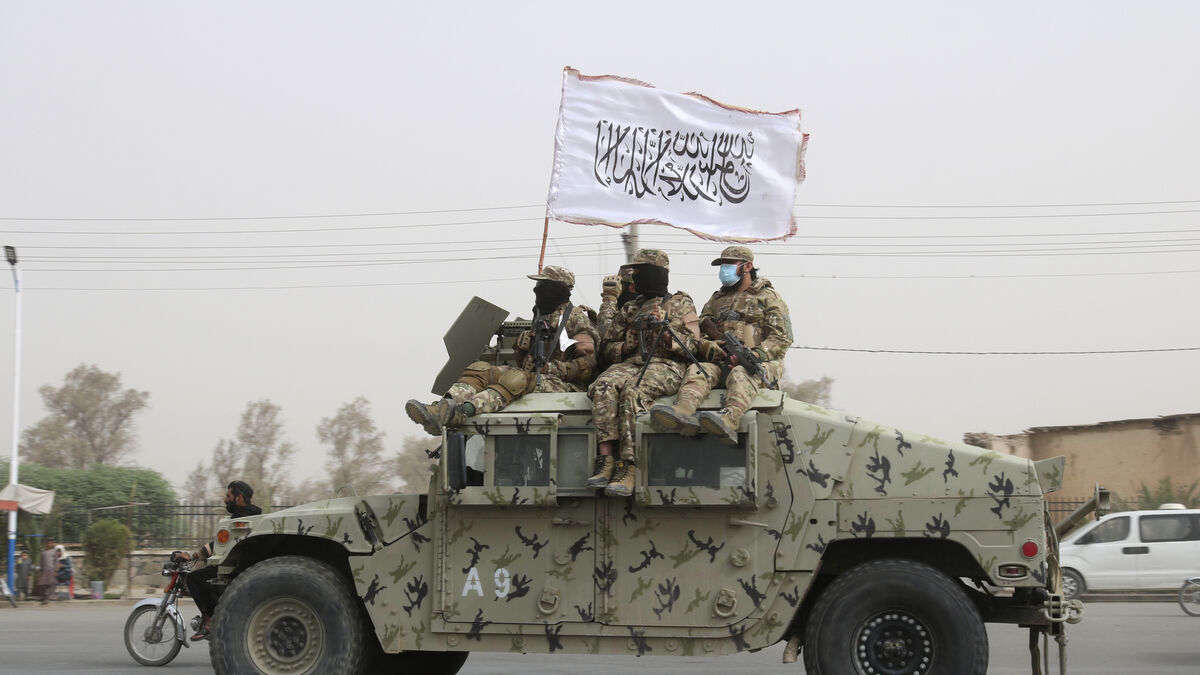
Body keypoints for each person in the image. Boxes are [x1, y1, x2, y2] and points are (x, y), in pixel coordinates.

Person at [406, 265, 600, 435]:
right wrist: (523, 349)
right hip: (537, 378)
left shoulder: (576, 319)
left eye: (543, 285)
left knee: (515, 380)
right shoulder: (542, 318)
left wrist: (550, 368)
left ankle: (463, 412)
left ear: (557, 289)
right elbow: (526, 364)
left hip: (568, 385)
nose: (537, 289)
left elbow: (586, 366)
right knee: (479, 369)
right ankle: (440, 411)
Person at [650, 246, 793, 443]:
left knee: (741, 373)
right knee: (698, 370)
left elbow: (782, 337)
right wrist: (710, 346)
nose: (724, 270)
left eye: (729, 264)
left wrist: (756, 354)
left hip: (759, 365)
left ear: (747, 267)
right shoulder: (716, 300)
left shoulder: (768, 297)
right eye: (722, 265)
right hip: (721, 361)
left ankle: (729, 419)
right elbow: (700, 330)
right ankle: (683, 411)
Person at [586, 249, 700, 497]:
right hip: (633, 363)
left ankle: (629, 465)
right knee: (603, 385)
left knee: (633, 390)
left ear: (655, 273)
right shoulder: (630, 308)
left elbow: (694, 346)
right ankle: (606, 460)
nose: (634, 275)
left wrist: (667, 333)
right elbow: (606, 348)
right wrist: (628, 343)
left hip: (667, 365)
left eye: (639, 271)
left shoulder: (680, 303)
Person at [173, 480, 262, 640]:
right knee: (207, 575)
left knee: (194, 579)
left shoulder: (242, 517)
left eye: (228, 496)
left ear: (239, 498)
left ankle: (209, 622)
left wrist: (192, 556)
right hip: (241, 567)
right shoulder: (253, 514)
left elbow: (219, 544)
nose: (225, 500)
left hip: (235, 570)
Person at [37, 538, 58, 604]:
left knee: (51, 584)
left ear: (53, 544)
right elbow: (41, 562)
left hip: (51, 570)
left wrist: (56, 570)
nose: (50, 544)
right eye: (48, 543)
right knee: (42, 584)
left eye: (51, 543)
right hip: (44, 570)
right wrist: (40, 570)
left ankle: (48, 598)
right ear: (46, 544)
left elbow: (56, 561)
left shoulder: (54, 552)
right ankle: (44, 597)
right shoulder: (43, 552)